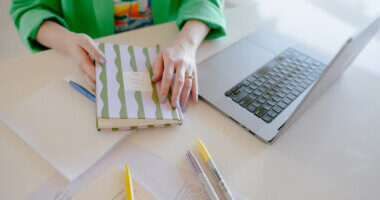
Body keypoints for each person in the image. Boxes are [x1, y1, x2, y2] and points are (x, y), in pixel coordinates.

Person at [10, 0, 226, 112]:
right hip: (86, 67)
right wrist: (67, 40)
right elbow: (29, 8)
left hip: (170, 45)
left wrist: (187, 43)